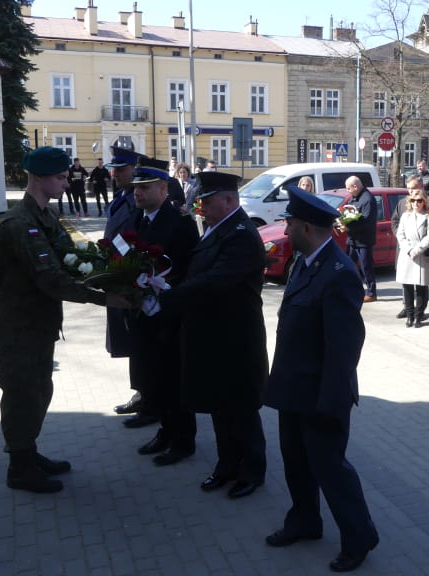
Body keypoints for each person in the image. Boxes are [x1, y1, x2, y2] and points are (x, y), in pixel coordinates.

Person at [0, 146, 127, 493]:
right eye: (60, 177)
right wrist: (104, 297)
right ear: (38, 178)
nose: (67, 183)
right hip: (19, 328)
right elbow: (51, 279)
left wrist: (111, 271)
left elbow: (72, 256)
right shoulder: (21, 225)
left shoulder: (45, 217)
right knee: (22, 395)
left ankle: (28, 452)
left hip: (39, 325)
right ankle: (19, 467)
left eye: (66, 176)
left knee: (39, 392)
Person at [263, 186, 379, 573]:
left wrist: (331, 404)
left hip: (320, 395)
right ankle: (305, 521)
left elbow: (345, 348)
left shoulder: (339, 273)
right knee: (296, 463)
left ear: (308, 227)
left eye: (291, 223)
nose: (286, 227)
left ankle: (360, 538)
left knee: (330, 469)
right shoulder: (305, 261)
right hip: (294, 387)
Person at [158, 171, 268, 499]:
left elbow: (215, 281)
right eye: (201, 201)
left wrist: (167, 297)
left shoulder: (242, 235)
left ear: (229, 200)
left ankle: (252, 471)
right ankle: (226, 467)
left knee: (242, 408)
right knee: (220, 404)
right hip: (214, 333)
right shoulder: (217, 227)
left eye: (206, 201)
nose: (201, 207)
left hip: (236, 337)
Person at [126, 158, 201, 466]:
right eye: (135, 188)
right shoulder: (142, 220)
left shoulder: (180, 222)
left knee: (175, 379)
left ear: (162, 188)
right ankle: (166, 431)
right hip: (147, 312)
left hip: (172, 315)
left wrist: (165, 292)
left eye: (144, 188)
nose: (137, 194)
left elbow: (189, 269)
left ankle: (183, 441)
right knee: (157, 377)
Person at [103, 147, 157, 426]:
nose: (114, 174)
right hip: (120, 276)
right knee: (131, 340)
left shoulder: (138, 201)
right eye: (114, 168)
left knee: (140, 342)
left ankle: (148, 397)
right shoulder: (121, 197)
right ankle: (141, 393)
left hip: (135, 280)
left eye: (121, 169)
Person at [395, 186, 429, 327]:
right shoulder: (405, 216)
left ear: (424, 202)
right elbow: (400, 234)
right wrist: (408, 249)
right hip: (407, 254)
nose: (416, 203)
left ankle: (418, 316)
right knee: (407, 287)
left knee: (421, 287)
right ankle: (409, 315)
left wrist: (417, 249)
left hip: (421, 254)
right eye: (413, 200)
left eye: (419, 201)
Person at [344, 175, 378, 303]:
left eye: (348, 188)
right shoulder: (354, 197)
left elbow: (366, 221)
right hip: (352, 239)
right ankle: (352, 287)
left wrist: (347, 225)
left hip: (364, 240)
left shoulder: (367, 199)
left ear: (355, 186)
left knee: (366, 266)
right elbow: (348, 212)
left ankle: (371, 292)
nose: (347, 191)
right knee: (348, 264)